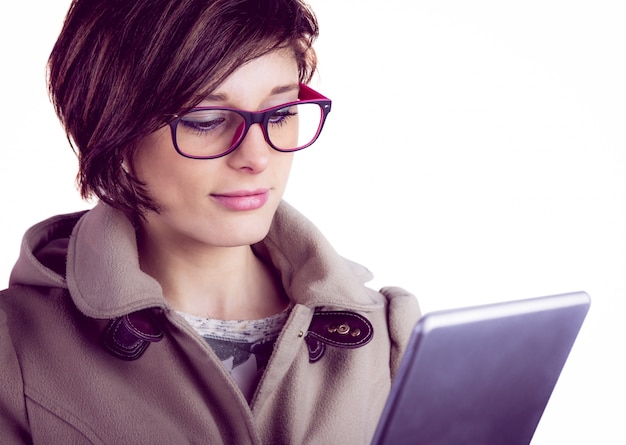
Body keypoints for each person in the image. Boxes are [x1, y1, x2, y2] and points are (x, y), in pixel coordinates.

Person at [0, 0, 420, 443]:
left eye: (279, 113)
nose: (257, 157)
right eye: (206, 120)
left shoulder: (390, 338)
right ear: (114, 131)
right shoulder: (14, 348)